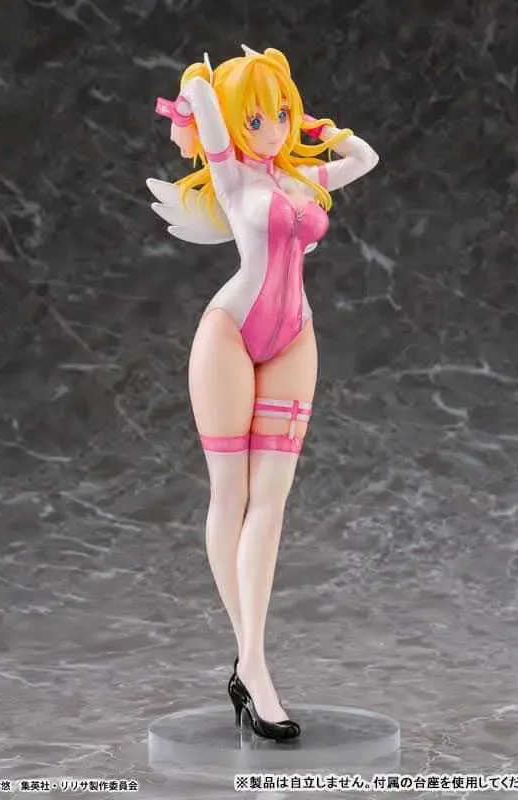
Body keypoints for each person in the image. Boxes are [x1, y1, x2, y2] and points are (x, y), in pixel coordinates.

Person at [148, 44, 379, 740]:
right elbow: (200, 91)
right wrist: (199, 95)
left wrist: (320, 130)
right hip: (229, 332)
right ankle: (254, 663)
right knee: (231, 494)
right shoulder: (229, 172)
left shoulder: (301, 177)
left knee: (271, 501)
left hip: (294, 337)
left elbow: (365, 158)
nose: (273, 129)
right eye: (259, 117)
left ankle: (249, 664)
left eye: (280, 113)